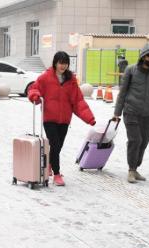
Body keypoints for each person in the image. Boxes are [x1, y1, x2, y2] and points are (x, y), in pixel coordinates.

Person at [28, 51, 96, 186]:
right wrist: (35, 96)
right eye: (60, 63)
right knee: (55, 144)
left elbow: (78, 101)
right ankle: (57, 174)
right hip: (49, 118)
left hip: (64, 119)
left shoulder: (70, 80)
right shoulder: (45, 77)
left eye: (65, 63)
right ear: (55, 63)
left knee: (58, 147)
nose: (63, 66)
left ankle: (49, 166)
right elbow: (34, 89)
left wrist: (89, 118)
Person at [112, 43, 149, 183]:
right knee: (135, 140)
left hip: (148, 114)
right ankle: (131, 170)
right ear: (143, 56)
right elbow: (123, 92)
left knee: (144, 142)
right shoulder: (131, 70)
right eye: (148, 56)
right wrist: (117, 112)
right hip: (131, 111)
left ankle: (135, 168)